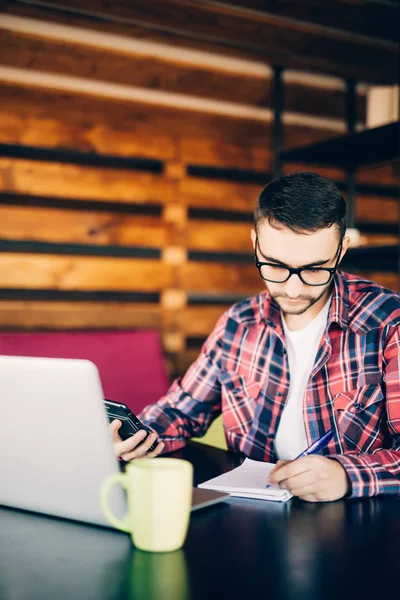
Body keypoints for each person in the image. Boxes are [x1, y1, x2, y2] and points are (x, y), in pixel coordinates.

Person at [110, 172, 400, 502]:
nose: (293, 289)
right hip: (251, 518)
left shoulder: (388, 323)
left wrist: (349, 476)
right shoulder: (238, 324)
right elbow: (180, 412)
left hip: (361, 529)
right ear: (255, 244)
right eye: (275, 266)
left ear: (341, 250)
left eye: (315, 269)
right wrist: (136, 437)